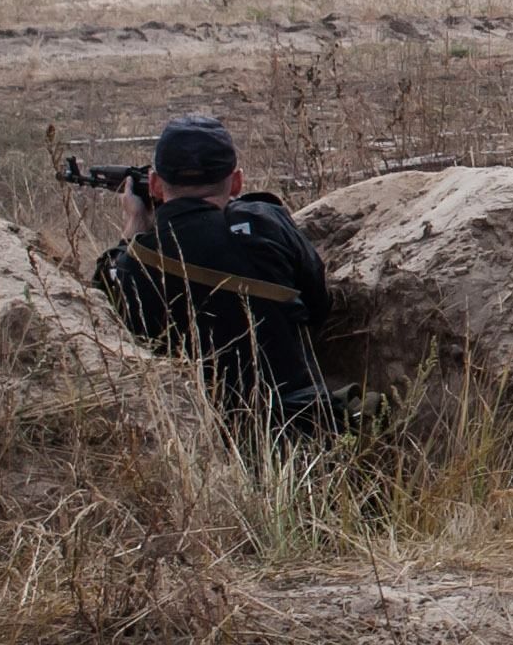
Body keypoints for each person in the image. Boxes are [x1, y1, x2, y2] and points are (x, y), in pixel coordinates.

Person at [92, 114, 343, 431]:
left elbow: (109, 328)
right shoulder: (268, 222)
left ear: (155, 185)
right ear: (236, 182)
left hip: (202, 436)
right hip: (306, 424)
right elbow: (319, 305)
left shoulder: (133, 264)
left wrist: (134, 230)